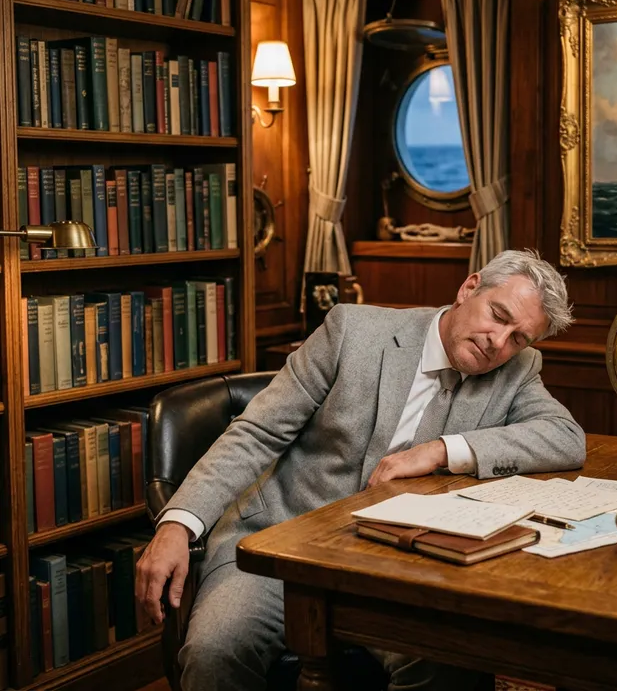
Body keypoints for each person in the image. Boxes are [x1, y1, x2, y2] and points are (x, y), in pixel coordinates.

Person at [136, 249, 586, 691]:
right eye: (497, 314)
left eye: (519, 337)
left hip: (401, 565)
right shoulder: (352, 330)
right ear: (468, 288)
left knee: (449, 663)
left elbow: (565, 437)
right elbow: (256, 433)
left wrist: (440, 450)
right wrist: (179, 523)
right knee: (214, 653)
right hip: (281, 545)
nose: (499, 341)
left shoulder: (517, 369)